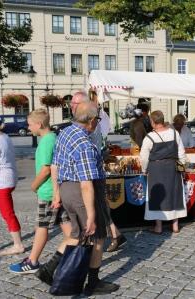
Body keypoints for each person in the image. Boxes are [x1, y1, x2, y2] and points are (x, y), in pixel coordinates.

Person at [51, 101, 119, 295]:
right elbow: (86, 183)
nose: (98, 122)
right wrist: (91, 214)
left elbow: (56, 164)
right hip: (81, 192)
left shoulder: (65, 132)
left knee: (79, 234)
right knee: (97, 237)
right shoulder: (84, 144)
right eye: (97, 118)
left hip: (67, 189)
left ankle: (53, 273)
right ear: (90, 121)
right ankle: (90, 282)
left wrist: (57, 192)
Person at [9, 109, 72, 274]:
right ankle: (75, 255)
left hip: (48, 192)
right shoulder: (53, 138)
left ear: (39, 124)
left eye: (30, 125)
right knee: (67, 227)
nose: (28, 128)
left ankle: (33, 261)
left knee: (41, 227)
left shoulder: (45, 142)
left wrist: (34, 186)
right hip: (57, 191)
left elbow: (45, 169)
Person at [71, 91, 126, 253]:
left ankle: (104, 236)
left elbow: (91, 148)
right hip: (91, 171)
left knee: (100, 206)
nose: (72, 106)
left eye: (76, 104)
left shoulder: (90, 124)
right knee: (101, 206)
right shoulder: (83, 121)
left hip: (92, 172)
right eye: (72, 103)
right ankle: (115, 234)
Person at [140, 111, 187, 234]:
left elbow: (144, 157)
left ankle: (158, 227)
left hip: (156, 168)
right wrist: (182, 170)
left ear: (153, 122)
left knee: (157, 195)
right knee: (174, 193)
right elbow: (181, 154)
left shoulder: (149, 137)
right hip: (173, 168)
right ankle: (175, 226)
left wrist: (144, 170)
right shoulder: (175, 133)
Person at [0, 119, 25, 256]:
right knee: (7, 212)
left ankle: (18, 245)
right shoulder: (5, 136)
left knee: (7, 213)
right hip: (10, 177)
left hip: (2, 182)